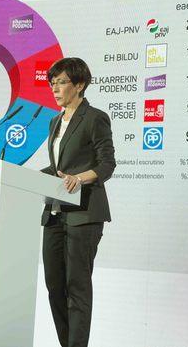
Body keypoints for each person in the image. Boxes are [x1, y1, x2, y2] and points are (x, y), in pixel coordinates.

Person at [40, 57, 116, 347]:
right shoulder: (54, 121)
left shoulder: (95, 118)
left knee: (77, 288)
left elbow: (107, 164)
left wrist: (80, 178)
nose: (55, 89)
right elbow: (57, 168)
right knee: (55, 287)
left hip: (84, 214)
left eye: (61, 82)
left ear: (80, 85)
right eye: (52, 83)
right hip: (54, 214)